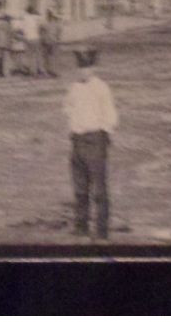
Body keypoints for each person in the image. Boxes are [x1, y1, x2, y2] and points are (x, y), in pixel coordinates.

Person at [64, 47, 118, 240]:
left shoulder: (101, 88)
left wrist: (103, 136)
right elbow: (67, 107)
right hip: (77, 141)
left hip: (95, 140)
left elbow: (110, 115)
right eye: (80, 67)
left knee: (99, 188)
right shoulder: (74, 87)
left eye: (87, 67)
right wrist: (74, 127)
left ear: (93, 68)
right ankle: (81, 225)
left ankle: (102, 230)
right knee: (80, 187)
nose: (83, 71)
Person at [18, 5, 44, 77]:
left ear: (26, 11)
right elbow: (41, 25)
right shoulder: (36, 18)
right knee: (37, 55)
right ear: (32, 11)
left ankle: (32, 71)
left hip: (27, 38)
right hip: (36, 38)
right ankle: (40, 70)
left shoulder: (24, 18)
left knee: (29, 55)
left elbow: (20, 29)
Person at [38, 5, 62, 78]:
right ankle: (53, 71)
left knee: (45, 57)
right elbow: (59, 31)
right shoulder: (56, 23)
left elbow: (39, 30)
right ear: (52, 16)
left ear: (47, 16)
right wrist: (57, 38)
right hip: (54, 41)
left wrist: (42, 36)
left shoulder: (44, 23)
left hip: (46, 41)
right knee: (53, 57)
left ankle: (46, 71)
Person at [0, 12, 14, 77]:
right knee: (6, 59)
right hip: (6, 44)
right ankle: (6, 73)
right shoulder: (9, 26)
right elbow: (12, 35)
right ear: (8, 20)